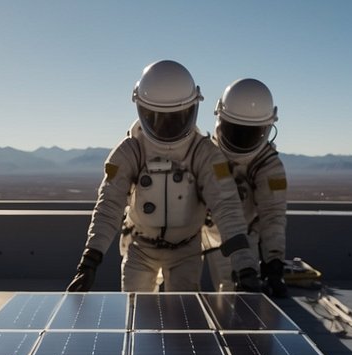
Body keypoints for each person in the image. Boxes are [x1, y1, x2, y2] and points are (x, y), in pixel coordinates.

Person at [67, 60, 261, 293]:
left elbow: (226, 207)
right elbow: (110, 203)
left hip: (186, 252)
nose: (167, 126)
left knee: (183, 318)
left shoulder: (204, 155)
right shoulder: (131, 151)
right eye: (158, 118)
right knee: (136, 312)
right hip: (140, 249)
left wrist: (245, 265)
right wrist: (90, 259)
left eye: (176, 117)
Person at [202, 78, 289, 297]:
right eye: (234, 131)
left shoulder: (267, 166)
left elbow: (273, 215)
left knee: (236, 293)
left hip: (244, 233)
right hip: (202, 232)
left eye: (248, 133)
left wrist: (274, 263)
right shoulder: (205, 155)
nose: (240, 139)